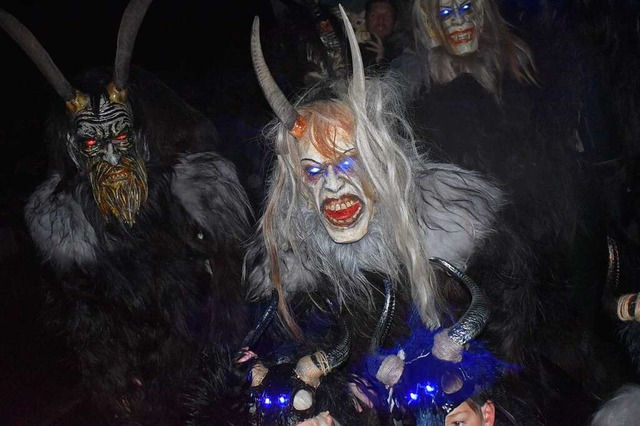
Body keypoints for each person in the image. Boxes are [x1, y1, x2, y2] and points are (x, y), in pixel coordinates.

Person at [242, 4, 623, 424]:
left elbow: (515, 337)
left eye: (350, 163)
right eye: (313, 171)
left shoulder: (461, 231)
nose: (333, 185)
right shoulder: (300, 275)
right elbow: (303, 361)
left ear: (383, 164)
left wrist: (469, 384)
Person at [1, 0, 252, 423]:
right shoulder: (72, 234)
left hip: (210, 377)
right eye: (95, 146)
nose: (114, 159)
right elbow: (85, 324)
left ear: (138, 137)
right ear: (75, 153)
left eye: (120, 137)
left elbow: (226, 290)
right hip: (136, 389)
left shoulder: (189, 198)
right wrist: (116, 382)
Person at [359, 0, 411, 73]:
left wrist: (382, 61)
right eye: (374, 15)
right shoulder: (351, 49)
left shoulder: (404, 51)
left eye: (387, 15)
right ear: (366, 21)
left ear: (395, 23)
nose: (380, 20)